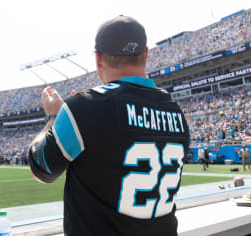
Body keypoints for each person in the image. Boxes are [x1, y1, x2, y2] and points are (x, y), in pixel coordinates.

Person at [27, 16, 190, 235]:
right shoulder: (176, 112)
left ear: (98, 58)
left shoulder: (86, 106)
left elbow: (41, 169)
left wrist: (55, 117)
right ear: (146, 54)